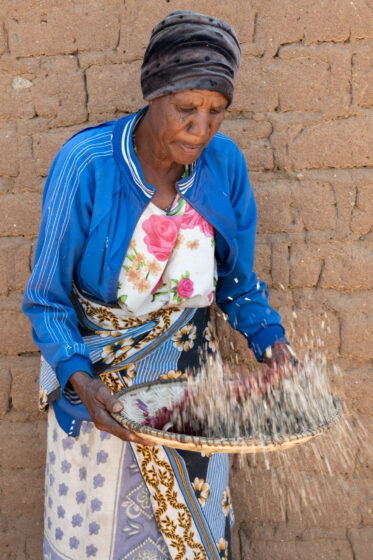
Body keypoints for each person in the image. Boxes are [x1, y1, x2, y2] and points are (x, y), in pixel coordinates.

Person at [23, 10, 291, 560]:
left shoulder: (224, 165)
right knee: (101, 542)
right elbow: (47, 299)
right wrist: (78, 378)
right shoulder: (88, 166)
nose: (202, 127)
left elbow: (237, 282)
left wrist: (271, 343)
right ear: (153, 94)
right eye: (187, 108)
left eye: (217, 111)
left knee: (187, 542)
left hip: (191, 399)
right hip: (101, 397)